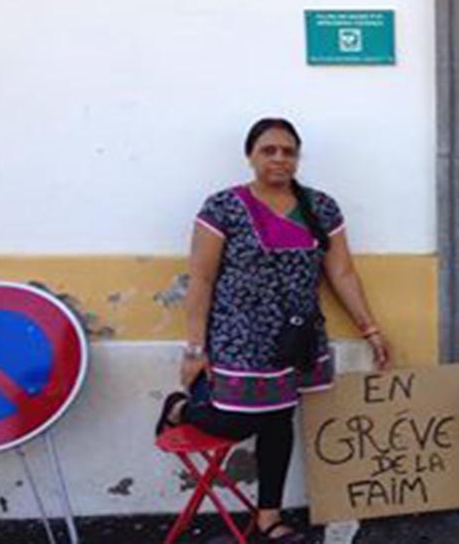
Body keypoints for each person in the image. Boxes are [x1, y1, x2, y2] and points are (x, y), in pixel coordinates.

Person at [156, 117, 390, 541]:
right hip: (239, 337)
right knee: (237, 420)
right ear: (250, 156)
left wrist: (370, 329)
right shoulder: (223, 207)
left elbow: (342, 273)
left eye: (288, 151)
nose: (280, 158)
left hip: (297, 338)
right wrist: (194, 348)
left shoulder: (321, 207)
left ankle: (269, 516)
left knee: (279, 422)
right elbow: (202, 279)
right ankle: (178, 409)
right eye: (269, 150)